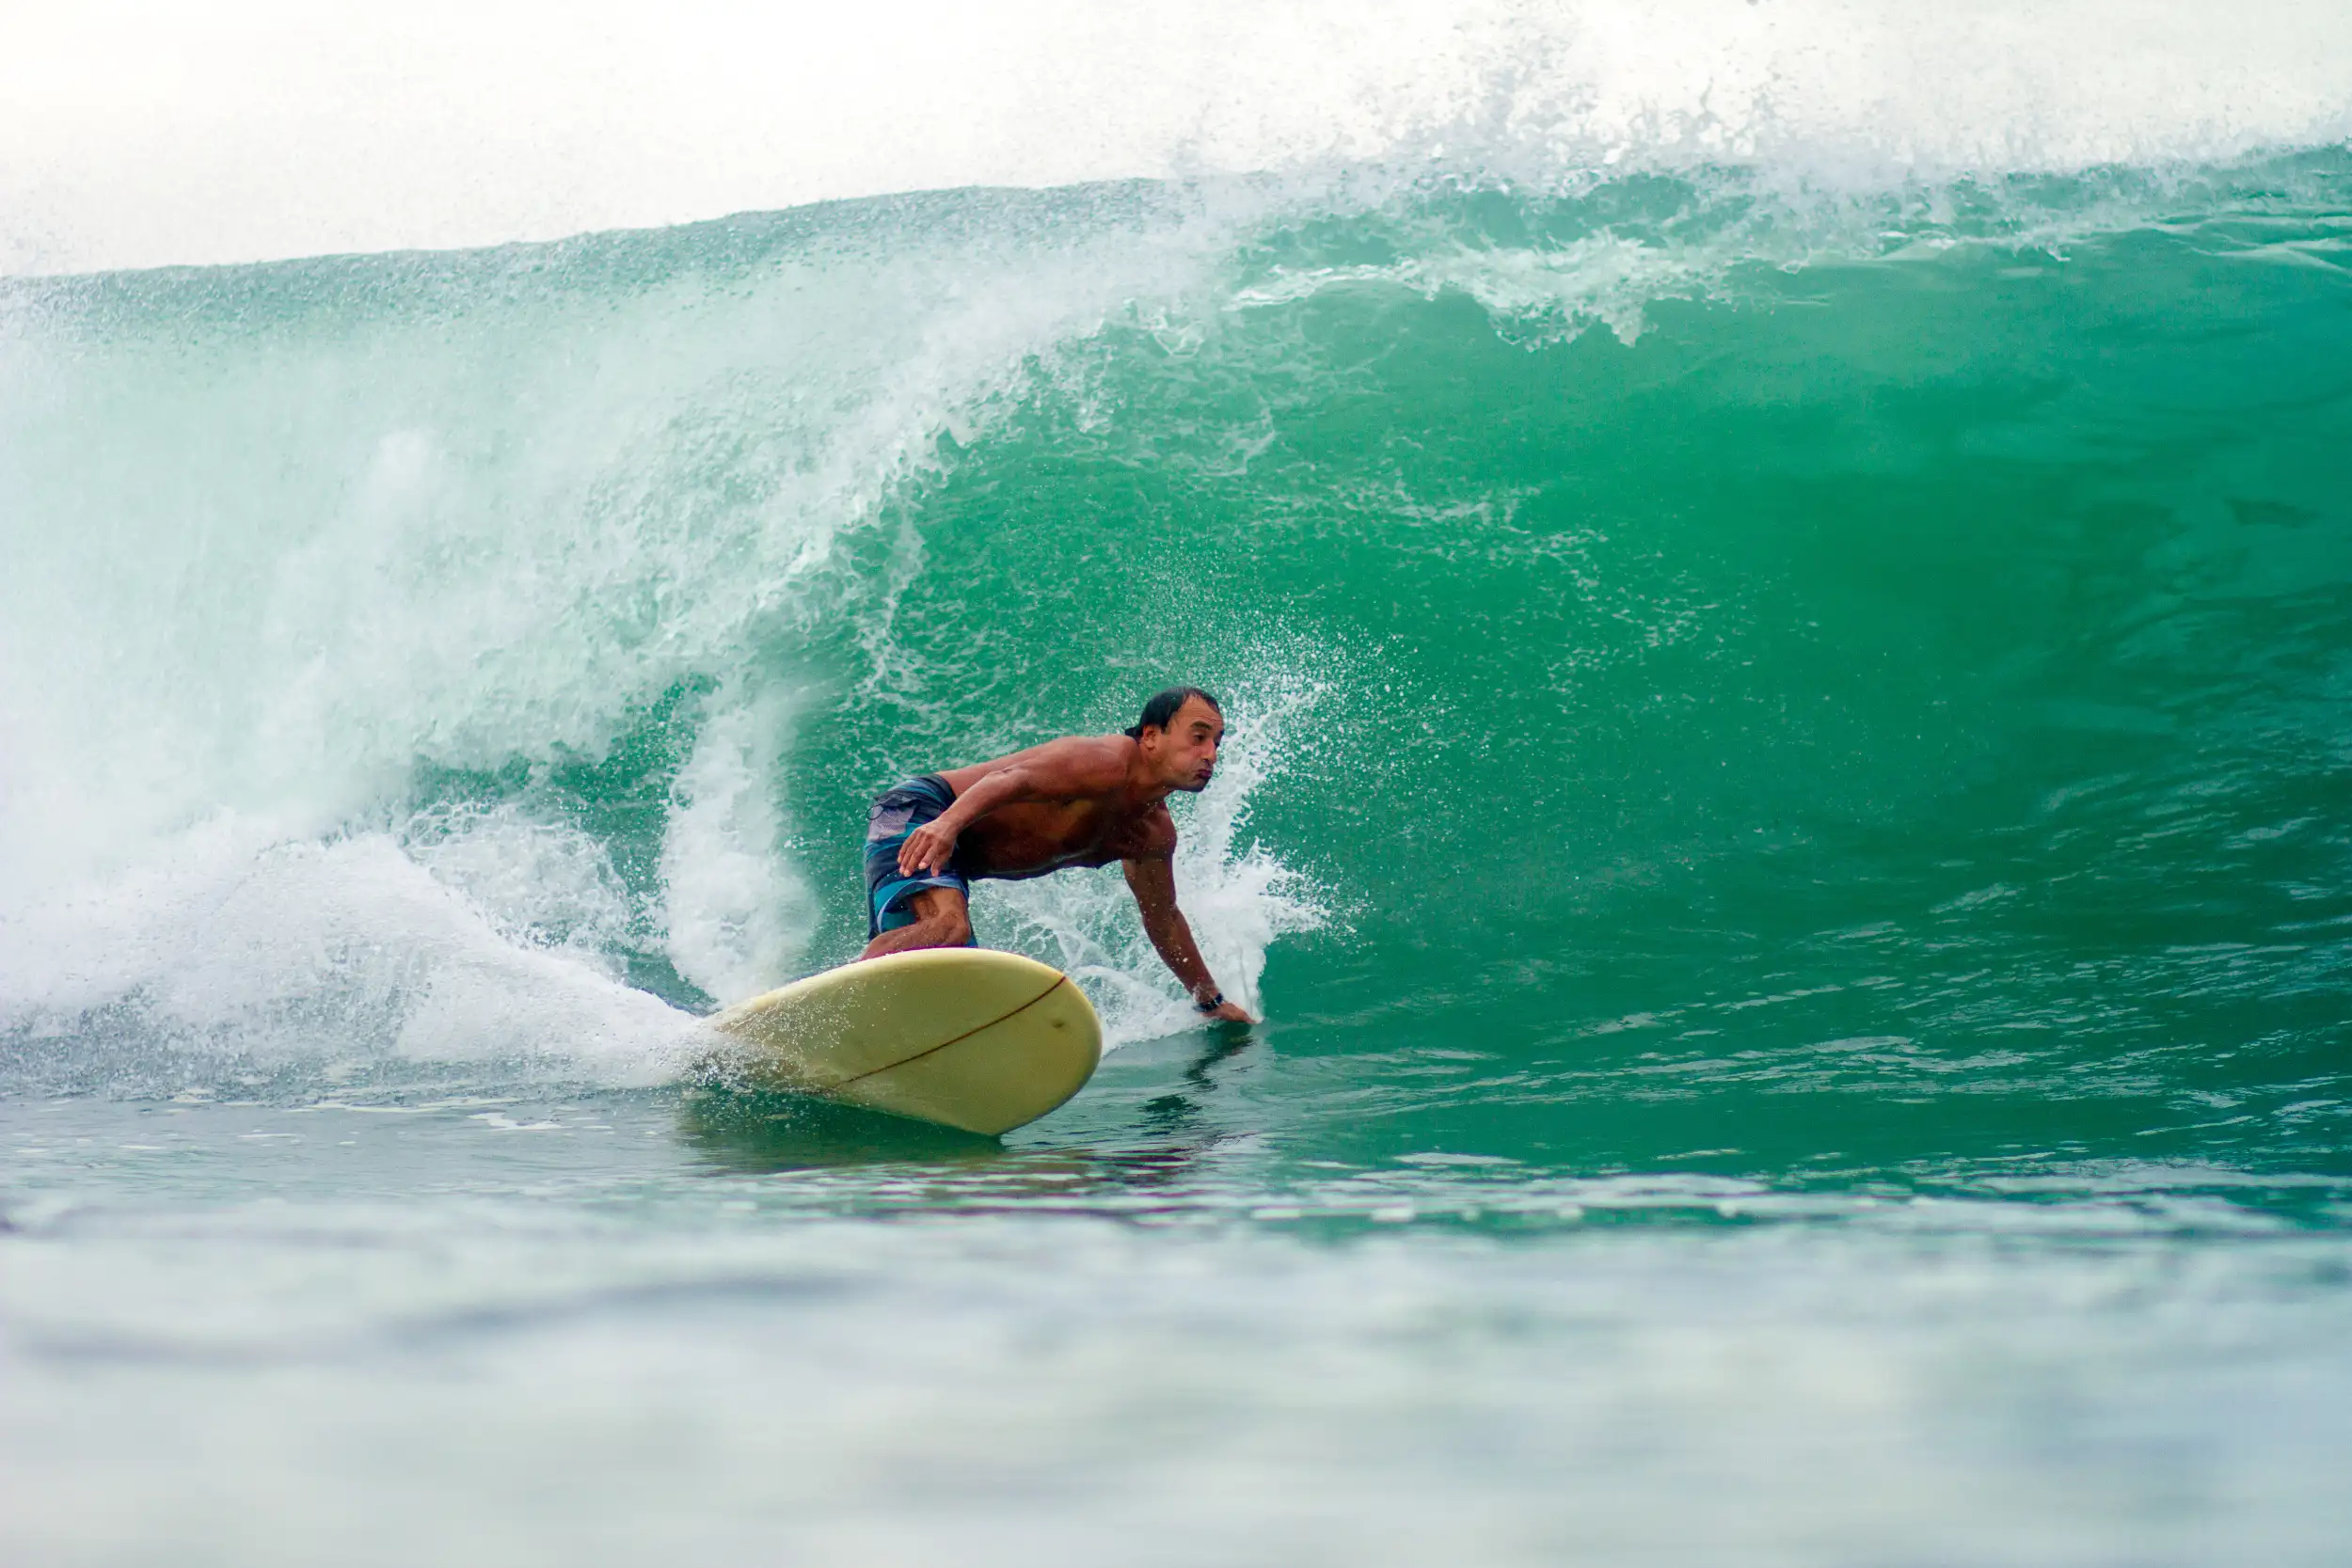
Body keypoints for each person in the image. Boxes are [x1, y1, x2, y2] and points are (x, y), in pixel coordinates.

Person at [860, 687, 1256, 1023]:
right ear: (1151, 736)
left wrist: (1210, 1000)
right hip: (922, 810)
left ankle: (865, 1037)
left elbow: (1164, 919)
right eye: (1198, 737)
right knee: (948, 928)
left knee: (957, 989)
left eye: (1217, 743)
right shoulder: (1107, 763)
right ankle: (838, 1000)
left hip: (954, 852)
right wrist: (947, 825)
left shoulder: (1150, 835)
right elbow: (1009, 779)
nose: (1211, 755)